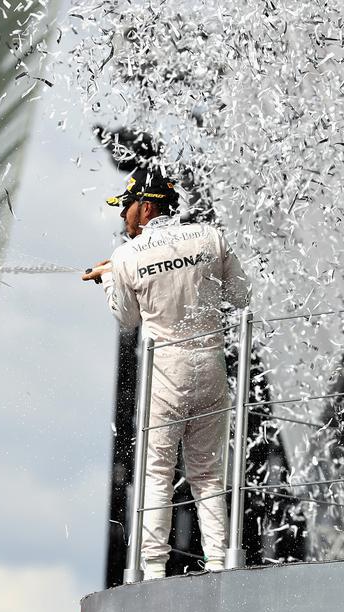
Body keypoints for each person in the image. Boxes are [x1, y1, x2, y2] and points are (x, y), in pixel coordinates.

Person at [84, 168, 251, 580]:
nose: (123, 218)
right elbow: (241, 296)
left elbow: (126, 319)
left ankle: (153, 569)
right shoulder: (210, 236)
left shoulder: (126, 256)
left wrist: (108, 280)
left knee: (157, 471)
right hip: (212, 365)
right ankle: (218, 564)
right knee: (209, 475)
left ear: (145, 207)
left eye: (125, 208)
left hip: (167, 374)